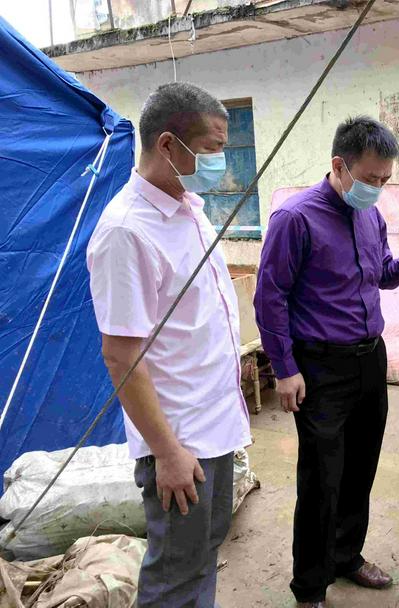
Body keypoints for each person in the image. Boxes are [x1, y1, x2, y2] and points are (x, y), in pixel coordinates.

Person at [255, 116, 399, 608]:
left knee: (360, 468)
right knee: (321, 478)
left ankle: (346, 555)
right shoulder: (295, 219)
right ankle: (311, 586)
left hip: (368, 363)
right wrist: (285, 369)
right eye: (372, 178)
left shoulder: (368, 215)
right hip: (318, 368)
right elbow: (270, 298)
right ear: (340, 166)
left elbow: (382, 273)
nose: (379, 188)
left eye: (385, 179)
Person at [87, 82, 251, 608]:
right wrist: (167, 452)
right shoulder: (126, 232)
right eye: (208, 149)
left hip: (216, 426)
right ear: (166, 145)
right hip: (180, 440)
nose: (219, 161)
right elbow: (121, 355)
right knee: (175, 572)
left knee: (203, 552)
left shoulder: (190, 208)